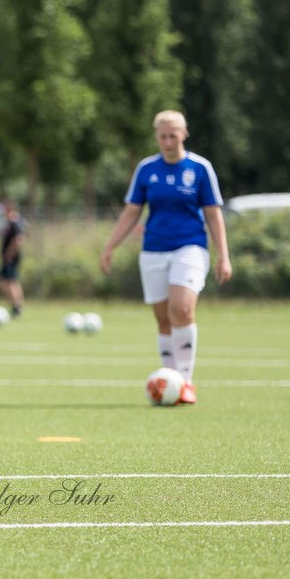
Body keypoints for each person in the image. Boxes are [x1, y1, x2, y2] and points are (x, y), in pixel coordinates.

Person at [99, 109, 232, 405]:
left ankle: (185, 381)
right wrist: (109, 246)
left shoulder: (199, 168)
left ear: (184, 135)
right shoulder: (147, 169)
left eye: (173, 135)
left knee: (182, 310)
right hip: (153, 250)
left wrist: (224, 255)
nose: (168, 141)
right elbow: (132, 212)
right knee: (163, 319)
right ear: (156, 136)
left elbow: (213, 213)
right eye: (163, 136)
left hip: (190, 247)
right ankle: (170, 379)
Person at [0, 199, 26, 318]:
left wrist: (10, 252)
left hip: (11, 258)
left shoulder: (15, 221)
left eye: (4, 208)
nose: (2, 211)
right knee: (4, 280)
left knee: (11, 281)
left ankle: (17, 307)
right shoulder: (9, 222)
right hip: (7, 257)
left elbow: (20, 239)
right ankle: (15, 304)